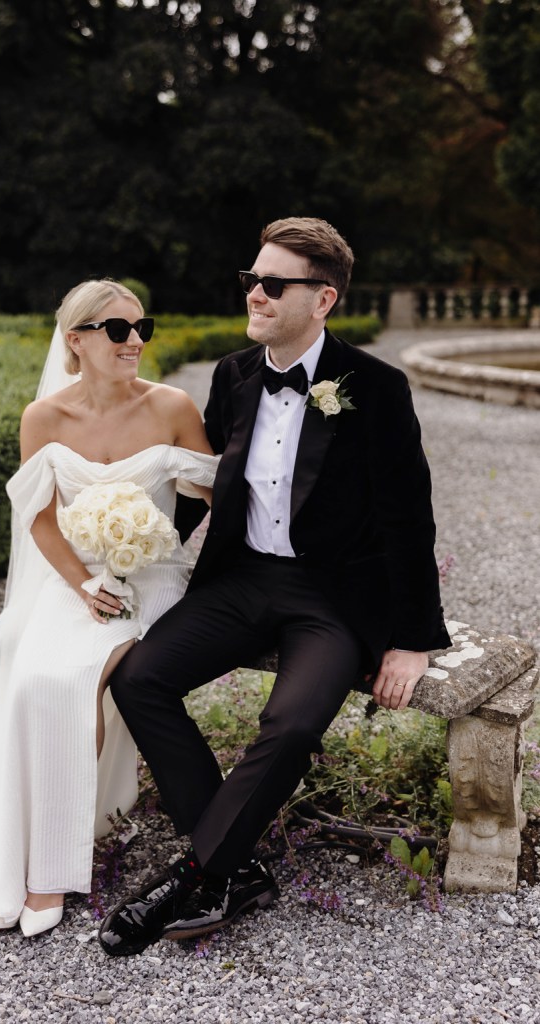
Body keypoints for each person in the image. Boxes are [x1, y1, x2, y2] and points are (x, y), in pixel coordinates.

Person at [0, 280, 218, 1021]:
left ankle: (49, 877)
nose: (134, 339)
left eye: (140, 325)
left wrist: (185, 517)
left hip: (152, 584)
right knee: (33, 681)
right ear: (75, 339)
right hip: (79, 581)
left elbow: (221, 497)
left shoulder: (173, 408)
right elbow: (42, 522)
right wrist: (84, 582)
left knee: (68, 677)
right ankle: (31, 854)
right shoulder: (42, 416)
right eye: (115, 327)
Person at [99, 217, 452, 956]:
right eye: (251, 279)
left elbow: (406, 518)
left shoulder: (377, 388)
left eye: (273, 283)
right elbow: (203, 490)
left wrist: (413, 638)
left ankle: (193, 875)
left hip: (332, 601)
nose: (254, 293)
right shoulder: (231, 376)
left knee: (290, 725)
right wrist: (118, 560)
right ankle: (234, 870)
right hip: (242, 581)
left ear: (321, 300)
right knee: (140, 679)